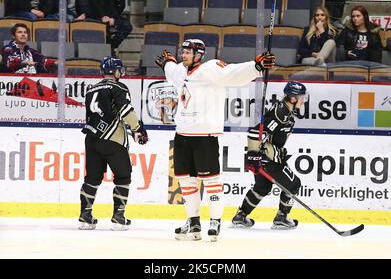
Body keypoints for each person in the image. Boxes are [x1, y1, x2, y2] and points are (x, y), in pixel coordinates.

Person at [154, 39, 275, 241]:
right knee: (186, 180)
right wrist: (168, 62)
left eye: (187, 52)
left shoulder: (211, 69)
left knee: (211, 181)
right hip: (182, 135)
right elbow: (171, 69)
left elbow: (234, 73)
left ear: (199, 54)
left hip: (205, 136)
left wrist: (256, 66)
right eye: (182, 52)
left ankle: (215, 221)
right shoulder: (180, 71)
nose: (183, 55)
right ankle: (193, 223)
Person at [79, 56, 148, 231]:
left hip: (91, 139)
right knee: (123, 177)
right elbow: (125, 110)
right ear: (115, 71)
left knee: (92, 178)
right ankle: (119, 218)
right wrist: (137, 128)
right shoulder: (118, 86)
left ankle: (85, 217)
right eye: (119, 69)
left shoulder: (91, 89)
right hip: (113, 139)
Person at [232, 81, 307, 229]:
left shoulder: (287, 110)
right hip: (270, 158)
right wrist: (253, 155)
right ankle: (282, 217)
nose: (303, 100)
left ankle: (240, 216)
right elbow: (256, 132)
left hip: (268, 156)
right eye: (301, 97)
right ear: (293, 98)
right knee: (294, 185)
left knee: (262, 186)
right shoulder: (281, 113)